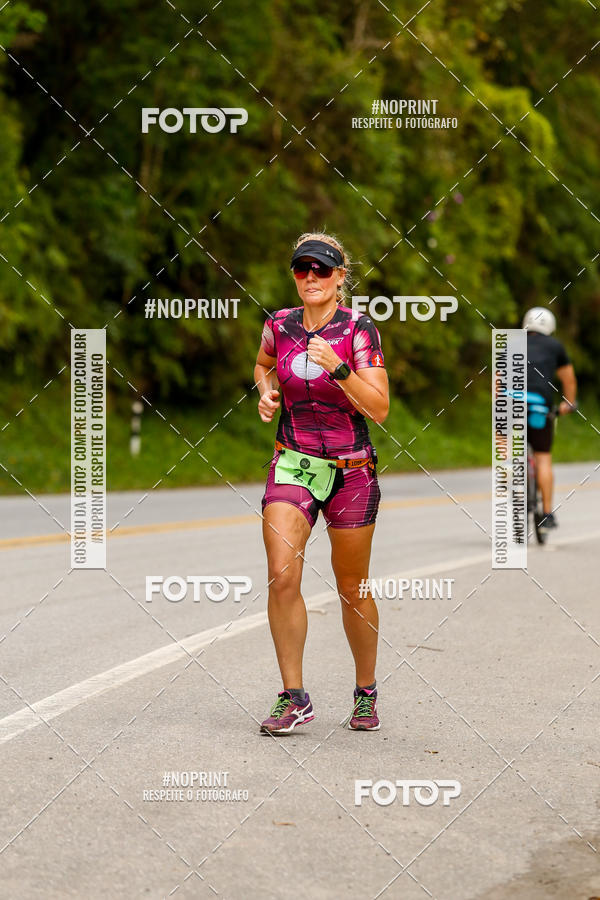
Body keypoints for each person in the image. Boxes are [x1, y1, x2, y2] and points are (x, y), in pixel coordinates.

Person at [254, 232, 389, 734]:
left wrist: (339, 371)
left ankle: (365, 692)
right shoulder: (279, 324)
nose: (311, 276)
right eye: (302, 268)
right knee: (281, 573)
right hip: (293, 461)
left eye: (322, 269)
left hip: (351, 470)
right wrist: (266, 393)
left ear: (339, 278)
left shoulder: (358, 329)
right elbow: (263, 366)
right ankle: (295, 697)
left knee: (352, 587)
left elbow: (379, 407)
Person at [523, 307, 577, 529]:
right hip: (538, 407)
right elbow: (569, 379)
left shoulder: (511, 343)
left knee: (505, 451)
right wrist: (568, 403)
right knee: (543, 457)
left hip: (509, 406)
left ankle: (510, 489)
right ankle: (546, 514)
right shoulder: (555, 346)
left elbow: (498, 378)